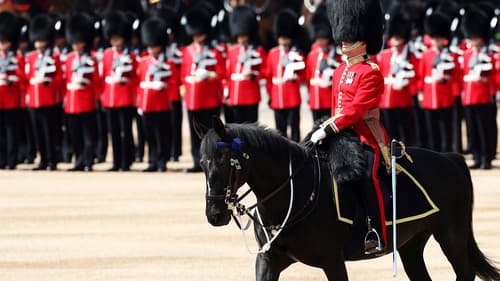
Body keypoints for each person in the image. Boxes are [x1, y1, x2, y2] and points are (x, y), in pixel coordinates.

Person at [310, 0, 388, 255]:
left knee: (367, 176)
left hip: (366, 136)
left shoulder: (371, 72)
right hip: (341, 133)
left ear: (364, 39)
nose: (343, 40)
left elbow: (355, 111)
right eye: (342, 35)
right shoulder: (339, 71)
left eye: (350, 36)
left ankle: (376, 232)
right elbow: (337, 108)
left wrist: (330, 129)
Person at [180, 4, 225, 173]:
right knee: (194, 133)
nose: (199, 37)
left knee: (211, 132)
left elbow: (221, 73)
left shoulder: (214, 52)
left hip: (209, 97)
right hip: (193, 98)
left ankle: (212, 160)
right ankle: (196, 160)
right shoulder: (186, 51)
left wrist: (209, 75)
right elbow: (183, 75)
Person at [136, 16, 177, 172]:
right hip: (146, 104)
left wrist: (165, 89)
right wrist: (139, 102)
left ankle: (162, 160)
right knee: (149, 135)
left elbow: (173, 83)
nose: (151, 49)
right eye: (149, 46)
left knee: (162, 134)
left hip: (161, 104)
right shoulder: (143, 62)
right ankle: (152, 160)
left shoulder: (168, 63)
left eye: (154, 46)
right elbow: (139, 83)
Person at [417, 11, 461, 153]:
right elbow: (421, 75)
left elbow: (456, 76)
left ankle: (447, 152)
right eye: (434, 38)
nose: (436, 41)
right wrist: (421, 93)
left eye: (439, 38)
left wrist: (452, 90)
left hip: (445, 97)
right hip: (430, 97)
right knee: (432, 129)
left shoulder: (450, 55)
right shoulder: (426, 55)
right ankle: (434, 153)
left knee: (447, 129)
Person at [375, 6, 418, 146]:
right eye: (394, 37)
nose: (396, 40)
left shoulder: (410, 55)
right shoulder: (384, 56)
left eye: (399, 37)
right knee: (389, 133)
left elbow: (416, 77)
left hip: (403, 99)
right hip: (386, 101)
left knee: (406, 133)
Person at [460, 6, 497, 169]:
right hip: (468, 96)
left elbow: (497, 75)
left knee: (485, 129)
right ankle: (476, 156)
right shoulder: (467, 54)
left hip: (484, 96)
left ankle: (486, 157)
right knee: (472, 129)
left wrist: (487, 83)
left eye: (475, 37)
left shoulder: (492, 53)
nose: (473, 41)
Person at [64, 13, 101, 172]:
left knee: (88, 135)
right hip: (72, 102)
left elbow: (97, 80)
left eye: (78, 42)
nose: (75, 45)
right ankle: (78, 161)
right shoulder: (69, 58)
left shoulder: (91, 59)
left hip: (86, 101)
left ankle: (88, 161)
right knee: (75, 135)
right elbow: (65, 79)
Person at [26, 14, 63, 171]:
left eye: (41, 41)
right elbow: (27, 77)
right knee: (38, 132)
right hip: (34, 99)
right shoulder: (31, 57)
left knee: (50, 132)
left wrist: (48, 82)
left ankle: (52, 160)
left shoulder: (54, 57)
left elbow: (60, 77)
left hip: (48, 99)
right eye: (37, 41)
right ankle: (42, 160)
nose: (39, 44)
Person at [101, 11, 137, 172]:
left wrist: (125, 81)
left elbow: (136, 77)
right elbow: (102, 76)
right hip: (110, 98)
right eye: (113, 37)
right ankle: (116, 161)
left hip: (126, 97)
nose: (115, 40)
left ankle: (126, 161)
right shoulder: (107, 54)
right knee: (114, 132)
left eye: (118, 37)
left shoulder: (130, 55)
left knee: (126, 132)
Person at [265, 9, 305, 142]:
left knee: (294, 131)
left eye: (286, 37)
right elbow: (269, 77)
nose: (283, 40)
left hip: (292, 97)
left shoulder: (296, 54)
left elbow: (303, 75)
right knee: (280, 132)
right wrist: (270, 96)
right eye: (281, 37)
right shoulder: (272, 53)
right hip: (277, 98)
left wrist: (295, 78)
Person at [226, 5, 267, 124]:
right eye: (239, 36)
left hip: (251, 94)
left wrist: (254, 74)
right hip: (235, 95)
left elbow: (264, 71)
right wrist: (227, 94)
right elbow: (227, 75)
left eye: (243, 36)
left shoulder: (258, 51)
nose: (241, 39)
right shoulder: (232, 52)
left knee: (252, 128)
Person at [306, 4, 339, 123]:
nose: (320, 41)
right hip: (315, 99)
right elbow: (308, 77)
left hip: (328, 99)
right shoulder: (312, 55)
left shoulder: (336, 55)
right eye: (318, 38)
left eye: (323, 38)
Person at [0, 12, 24, 170]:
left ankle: (12, 159)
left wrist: (11, 80)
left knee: (11, 132)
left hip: (12, 98)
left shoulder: (17, 58)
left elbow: (22, 76)